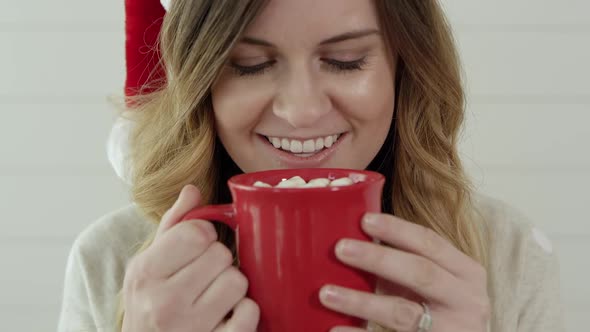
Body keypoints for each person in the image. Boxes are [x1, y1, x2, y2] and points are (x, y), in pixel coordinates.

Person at [58, 0, 566, 331]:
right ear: (201, 85)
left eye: (345, 60)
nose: (300, 112)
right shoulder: (109, 263)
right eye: (249, 65)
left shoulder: (509, 257)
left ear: (404, 69)